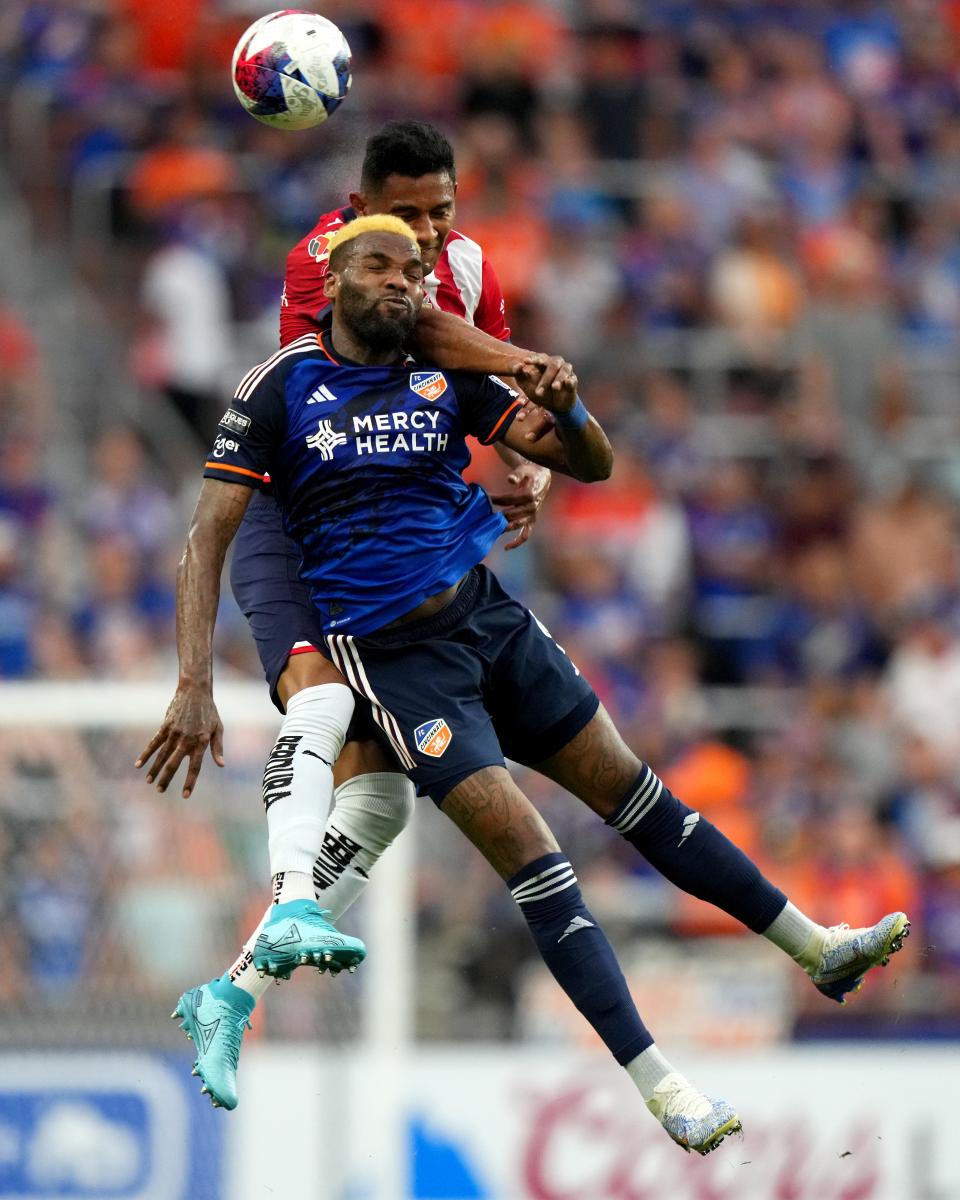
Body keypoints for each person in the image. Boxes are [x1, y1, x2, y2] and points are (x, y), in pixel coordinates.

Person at [148, 218, 909, 1153]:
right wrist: (193, 681)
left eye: (417, 271)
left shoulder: (448, 375)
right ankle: (661, 1084)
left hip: (489, 620)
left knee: (639, 798)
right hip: (393, 660)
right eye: (381, 265)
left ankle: (815, 947)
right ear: (333, 276)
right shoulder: (279, 389)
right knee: (531, 853)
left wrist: (572, 408)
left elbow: (586, 462)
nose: (403, 281)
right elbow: (209, 533)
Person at [138, 121, 569, 1109]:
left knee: (376, 804)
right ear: (359, 204)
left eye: (437, 215)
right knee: (318, 703)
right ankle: (290, 904)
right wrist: (192, 679)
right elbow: (401, 351)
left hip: (396, 546)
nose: (421, 239)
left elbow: (470, 396)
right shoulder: (325, 265)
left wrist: (527, 456)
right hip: (295, 524)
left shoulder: (471, 268)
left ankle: (230, 997)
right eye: (402, 215)